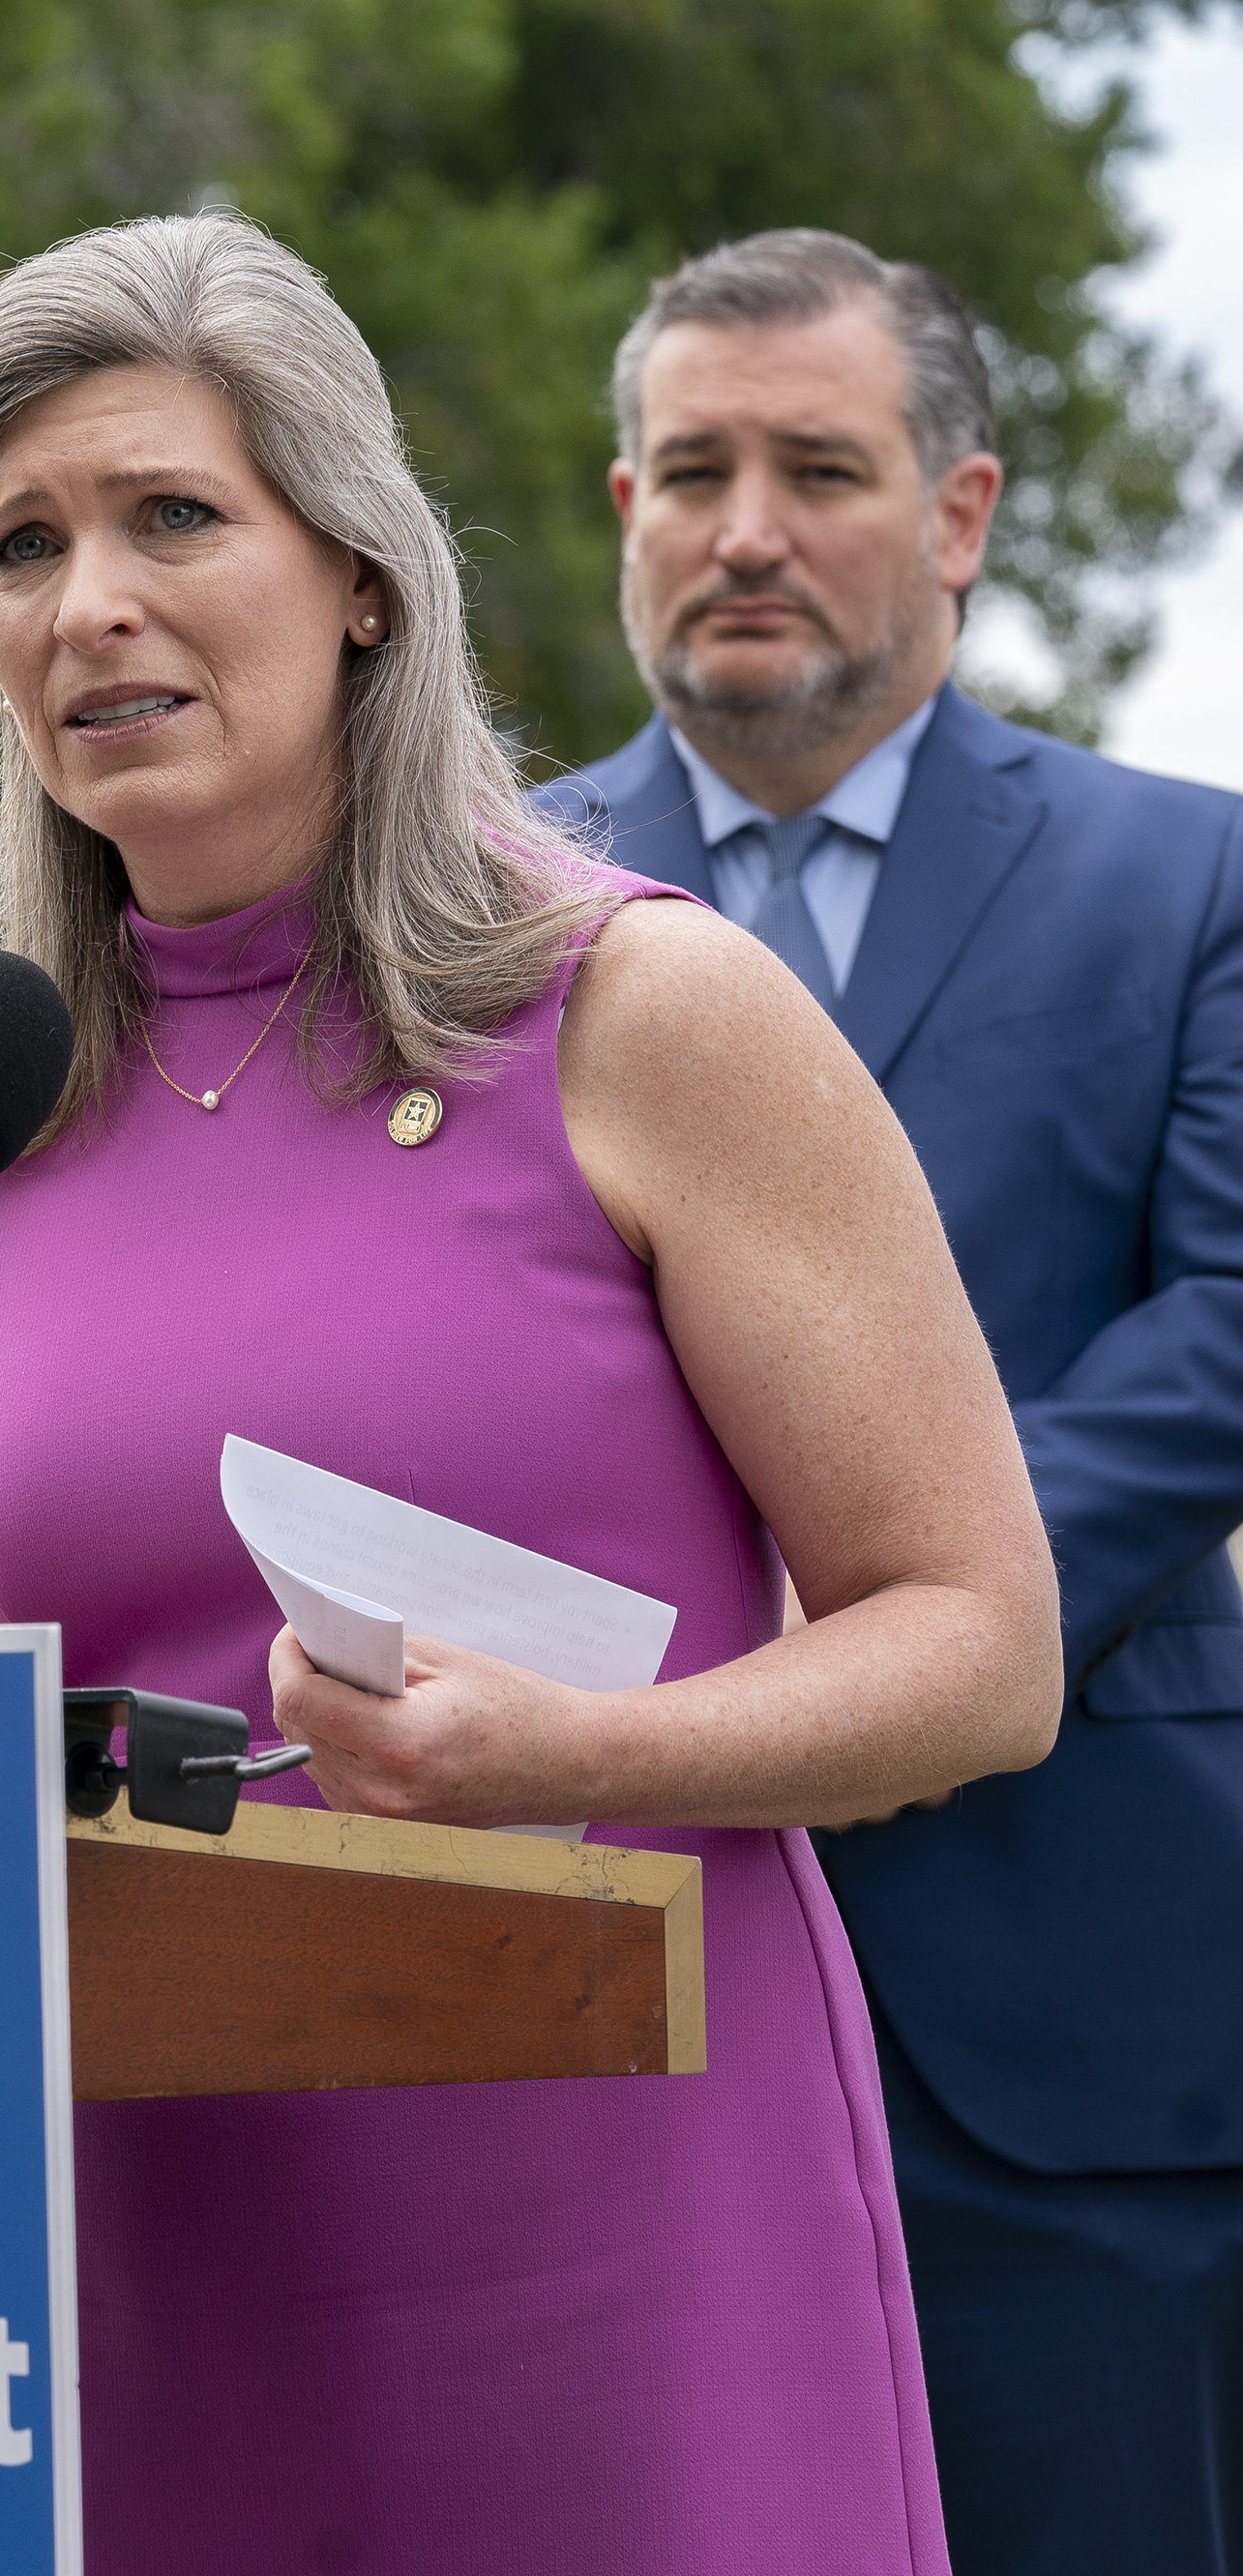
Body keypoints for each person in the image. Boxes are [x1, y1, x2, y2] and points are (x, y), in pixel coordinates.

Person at [0, 211, 1061, 2573]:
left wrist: (576, 1756)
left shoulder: (639, 1016)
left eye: (169, 516)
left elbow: (978, 1639)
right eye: (19, 545)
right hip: (141, 2251)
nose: (86, 597)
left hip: (607, 2207)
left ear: (359, 580)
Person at [551, 228, 1243, 2576]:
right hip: (585, 1950)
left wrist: (885, 1587)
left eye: (815, 469)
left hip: (1072, 1987)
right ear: (620, 502)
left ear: (956, 513)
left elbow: (1228, 1324)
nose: (744, 528)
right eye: (695, 470)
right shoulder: (469, 907)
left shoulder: (1190, 878)